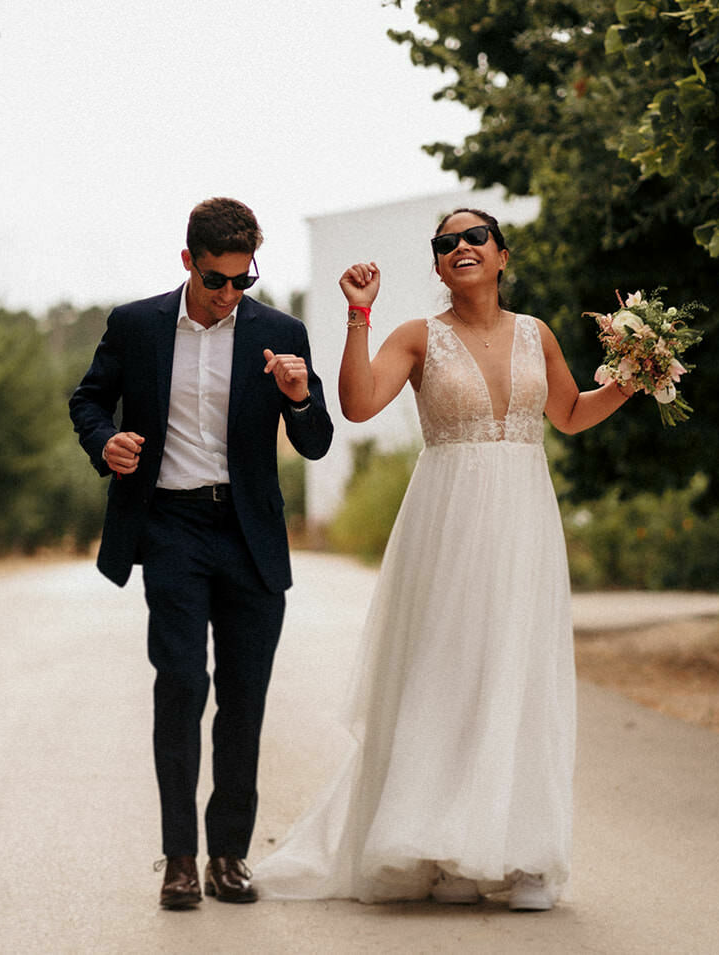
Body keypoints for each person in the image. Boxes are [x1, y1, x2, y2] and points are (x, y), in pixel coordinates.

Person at [251, 207, 632, 911]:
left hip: (524, 522)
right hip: (448, 523)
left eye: (474, 237)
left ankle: (520, 858)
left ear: (501, 255)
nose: (460, 247)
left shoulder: (536, 334)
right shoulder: (417, 337)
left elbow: (572, 412)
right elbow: (360, 404)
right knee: (450, 671)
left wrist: (634, 377)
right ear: (436, 265)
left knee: (519, 671)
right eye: (445, 242)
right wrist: (358, 315)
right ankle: (447, 850)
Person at [69, 197, 334, 910]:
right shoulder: (136, 325)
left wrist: (302, 396)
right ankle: (180, 858)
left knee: (244, 700)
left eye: (243, 280)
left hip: (250, 536)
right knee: (182, 684)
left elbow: (315, 441)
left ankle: (229, 856)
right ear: (188, 261)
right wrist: (106, 442)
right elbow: (88, 400)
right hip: (172, 527)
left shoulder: (280, 331)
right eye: (217, 279)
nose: (229, 295)